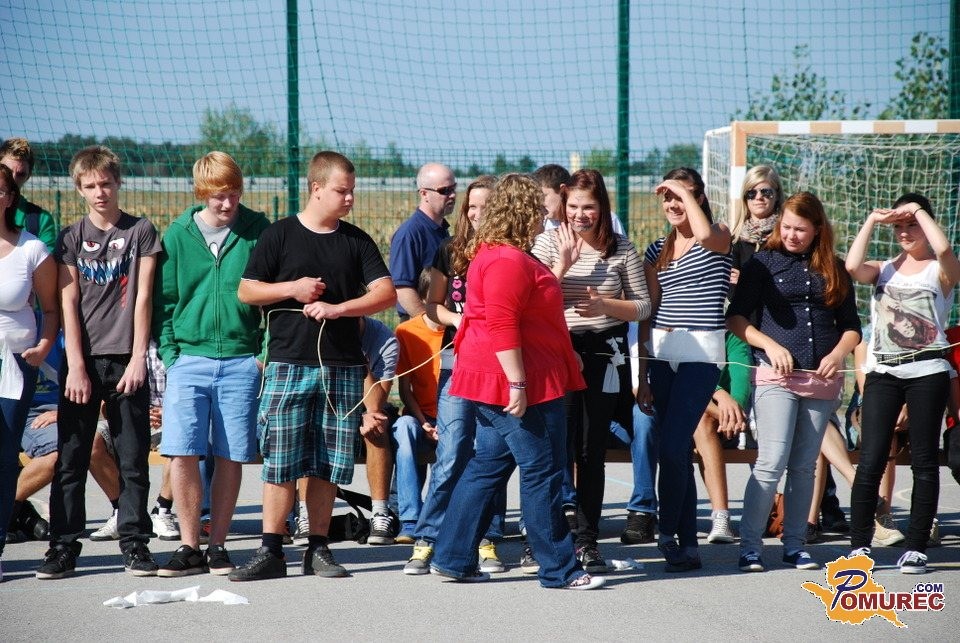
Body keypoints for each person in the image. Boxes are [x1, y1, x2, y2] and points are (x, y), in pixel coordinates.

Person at [429, 173, 603, 590]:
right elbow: (502, 325)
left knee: (487, 465)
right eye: (539, 210)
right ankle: (559, 569)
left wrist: (559, 270)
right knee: (542, 470)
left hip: (504, 377)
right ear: (523, 212)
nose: (544, 217)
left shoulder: (500, 255)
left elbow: (526, 309)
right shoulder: (506, 260)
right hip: (513, 383)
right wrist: (518, 385)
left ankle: (451, 558)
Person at [228, 151, 395, 581]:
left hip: (342, 367)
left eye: (352, 191)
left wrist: (338, 309)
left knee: (327, 460)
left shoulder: (356, 241)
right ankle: (271, 549)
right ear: (316, 188)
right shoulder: (280, 235)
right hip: (287, 364)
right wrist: (294, 288)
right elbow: (247, 291)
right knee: (280, 459)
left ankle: (319, 548)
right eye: (342, 190)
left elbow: (385, 293)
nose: (350, 198)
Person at [38, 146, 162, 579]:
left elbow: (143, 298)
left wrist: (138, 358)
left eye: (105, 183)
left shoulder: (141, 231)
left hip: (127, 361)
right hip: (84, 363)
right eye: (90, 186)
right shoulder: (71, 238)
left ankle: (135, 544)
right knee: (71, 458)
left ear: (118, 182)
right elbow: (67, 302)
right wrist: (75, 364)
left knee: (133, 459)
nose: (99, 192)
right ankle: (62, 547)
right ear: (79, 189)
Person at [728, 191, 861, 573]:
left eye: (800, 229)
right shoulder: (762, 263)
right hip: (776, 377)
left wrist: (838, 354)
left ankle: (795, 545)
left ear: (817, 229)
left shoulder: (834, 268)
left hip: (821, 380)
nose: (790, 235)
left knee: (804, 466)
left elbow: (851, 327)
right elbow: (736, 318)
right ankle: (750, 548)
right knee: (771, 461)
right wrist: (769, 345)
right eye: (786, 227)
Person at [152, 152, 270, 577]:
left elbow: (273, 298)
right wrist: (172, 356)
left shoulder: (258, 231)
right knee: (183, 452)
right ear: (201, 192)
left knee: (230, 455)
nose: (227, 203)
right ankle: (189, 545)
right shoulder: (178, 234)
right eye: (218, 196)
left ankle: (218, 545)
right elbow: (165, 303)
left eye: (234, 194)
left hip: (242, 361)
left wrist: (262, 356)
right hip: (189, 360)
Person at [532, 168, 651, 573]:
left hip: (603, 354)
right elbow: (532, 298)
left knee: (590, 450)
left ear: (602, 207)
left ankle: (586, 540)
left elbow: (643, 306)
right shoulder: (548, 242)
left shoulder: (621, 248)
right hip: (557, 351)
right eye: (573, 206)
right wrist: (563, 265)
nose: (580, 215)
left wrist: (605, 306)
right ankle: (545, 538)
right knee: (554, 449)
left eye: (589, 207)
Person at [845, 192, 959, 574]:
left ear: (926, 224)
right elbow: (852, 265)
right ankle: (859, 546)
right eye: (900, 227)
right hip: (884, 374)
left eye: (912, 225)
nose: (906, 232)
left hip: (927, 373)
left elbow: (944, 248)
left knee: (924, 462)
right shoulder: (883, 269)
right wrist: (872, 221)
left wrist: (918, 211)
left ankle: (916, 548)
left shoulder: (940, 270)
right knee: (871, 461)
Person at [404, 175, 507, 575]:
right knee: (451, 454)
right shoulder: (450, 250)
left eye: (486, 206)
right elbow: (432, 305)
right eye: (471, 206)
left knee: (489, 454)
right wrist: (457, 319)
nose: (477, 213)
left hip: (497, 368)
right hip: (458, 364)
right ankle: (427, 539)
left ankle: (486, 539)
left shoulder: (510, 253)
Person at [643, 167, 731, 573]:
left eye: (683, 196)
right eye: (669, 197)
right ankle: (687, 544)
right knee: (674, 451)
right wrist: (642, 372)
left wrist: (680, 188)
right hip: (663, 355)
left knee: (673, 445)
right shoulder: (655, 250)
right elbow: (648, 310)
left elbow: (706, 233)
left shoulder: (718, 235)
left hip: (702, 356)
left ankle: (667, 533)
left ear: (699, 198)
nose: (674, 204)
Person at [0, 164, 58, 581]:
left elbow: (51, 309)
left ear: (10, 197)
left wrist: (43, 344)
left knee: (4, 458)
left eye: (1, 190)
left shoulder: (31, 249)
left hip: (14, 365)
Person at [391, 270, 444, 540]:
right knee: (403, 427)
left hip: (452, 419)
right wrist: (423, 422)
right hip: (421, 417)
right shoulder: (406, 331)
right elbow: (405, 390)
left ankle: (439, 517)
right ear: (424, 298)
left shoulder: (460, 330)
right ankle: (409, 519)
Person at [692, 332, 752, 544]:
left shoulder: (731, 333)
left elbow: (741, 372)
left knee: (703, 421)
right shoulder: (685, 328)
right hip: (683, 409)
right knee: (699, 414)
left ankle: (721, 517)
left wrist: (735, 408)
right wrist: (720, 395)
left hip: (721, 423)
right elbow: (688, 382)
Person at [610, 322, 658, 545]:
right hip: (602, 414)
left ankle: (643, 510)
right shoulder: (600, 322)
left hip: (634, 417)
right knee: (565, 419)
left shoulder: (643, 325)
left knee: (644, 418)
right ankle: (569, 508)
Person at [389, 163, 455, 320]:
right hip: (419, 324)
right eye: (444, 190)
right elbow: (402, 289)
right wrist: (427, 322)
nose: (452, 195)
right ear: (424, 193)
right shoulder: (409, 234)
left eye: (453, 188)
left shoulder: (440, 230)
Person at [728, 165, 784, 294]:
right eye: (751, 193)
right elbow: (733, 293)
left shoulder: (786, 236)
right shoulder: (735, 240)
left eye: (766, 192)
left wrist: (746, 280)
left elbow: (789, 285)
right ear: (745, 198)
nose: (758, 197)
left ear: (777, 195)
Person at [0, 138, 59, 251]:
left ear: (28, 176)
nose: (13, 179)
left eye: (21, 174)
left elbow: (45, 260)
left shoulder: (41, 220)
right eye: (7, 171)